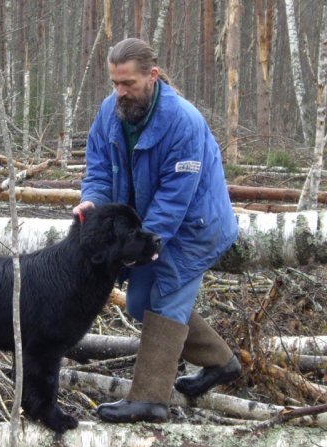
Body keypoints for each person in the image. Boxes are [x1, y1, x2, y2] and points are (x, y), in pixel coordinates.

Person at [75, 37, 241, 423]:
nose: (120, 92)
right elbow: (98, 168)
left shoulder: (182, 121)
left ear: (151, 76)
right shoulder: (109, 112)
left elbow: (173, 200)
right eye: (115, 83)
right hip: (147, 227)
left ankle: (149, 399)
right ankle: (222, 362)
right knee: (137, 304)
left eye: (128, 83)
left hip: (194, 228)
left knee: (165, 299)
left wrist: (134, 248)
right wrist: (93, 205)